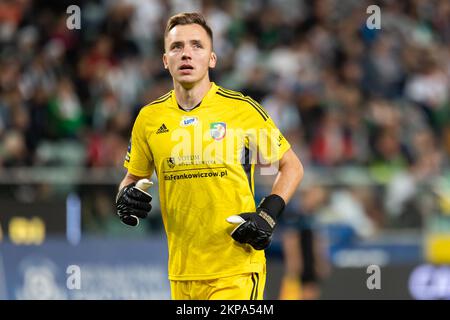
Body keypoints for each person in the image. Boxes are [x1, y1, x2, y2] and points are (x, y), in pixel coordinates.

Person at [115, 12, 303, 300]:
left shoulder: (241, 110)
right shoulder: (149, 119)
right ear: (166, 60)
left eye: (197, 46)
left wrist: (267, 214)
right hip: (182, 273)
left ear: (212, 59)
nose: (186, 54)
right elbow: (132, 178)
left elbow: (291, 166)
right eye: (177, 47)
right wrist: (125, 197)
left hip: (235, 268)